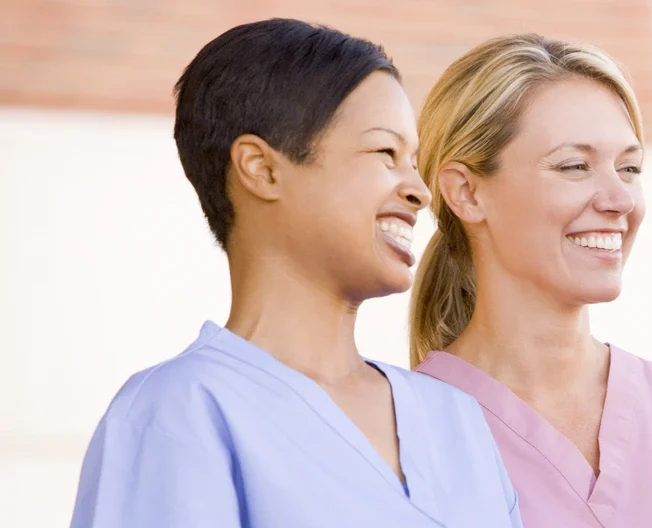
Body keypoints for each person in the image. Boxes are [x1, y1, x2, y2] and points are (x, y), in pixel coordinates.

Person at [70, 18, 522, 528]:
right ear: (261, 169)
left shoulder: (455, 419)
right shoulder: (178, 413)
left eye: (414, 161)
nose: (419, 190)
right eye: (385, 153)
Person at [407, 34, 652, 527]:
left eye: (629, 168)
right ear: (467, 193)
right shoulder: (396, 436)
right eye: (574, 166)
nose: (619, 200)